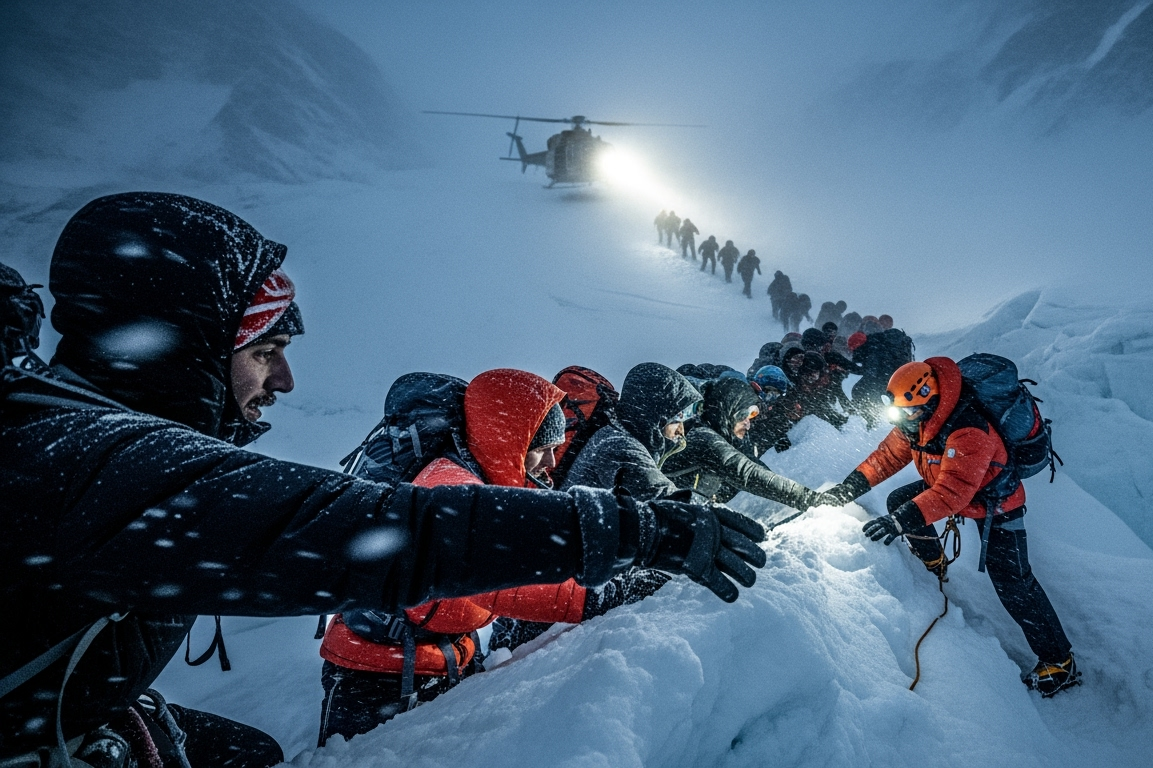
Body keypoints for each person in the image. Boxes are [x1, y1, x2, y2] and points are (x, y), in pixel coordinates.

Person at [0, 193, 766, 766]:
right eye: (265, 351)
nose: (286, 379)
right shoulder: (83, 461)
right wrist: (628, 531)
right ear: (186, 345)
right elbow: (367, 535)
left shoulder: (66, 435)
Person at [318, 369, 671, 744]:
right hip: (378, 677)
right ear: (513, 441)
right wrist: (607, 592)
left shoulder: (480, 477)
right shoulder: (448, 485)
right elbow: (504, 576)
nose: (552, 462)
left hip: (439, 661)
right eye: (543, 448)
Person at [821, 359, 1079, 697]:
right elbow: (885, 457)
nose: (903, 421)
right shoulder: (916, 420)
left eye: (908, 413)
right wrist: (848, 488)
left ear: (928, 401)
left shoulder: (969, 430)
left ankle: (1059, 663)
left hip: (997, 503)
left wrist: (900, 522)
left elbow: (952, 494)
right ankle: (934, 565)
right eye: (899, 413)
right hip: (960, 491)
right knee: (901, 501)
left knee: (1014, 582)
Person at [663, 376, 823, 512]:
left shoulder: (722, 432)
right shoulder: (700, 438)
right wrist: (809, 498)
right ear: (728, 411)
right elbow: (749, 473)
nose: (748, 424)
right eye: (744, 416)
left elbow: (752, 463)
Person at [566, 362, 702, 500]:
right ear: (654, 413)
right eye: (676, 419)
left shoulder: (617, 437)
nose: (681, 430)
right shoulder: (619, 446)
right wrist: (713, 511)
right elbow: (665, 498)